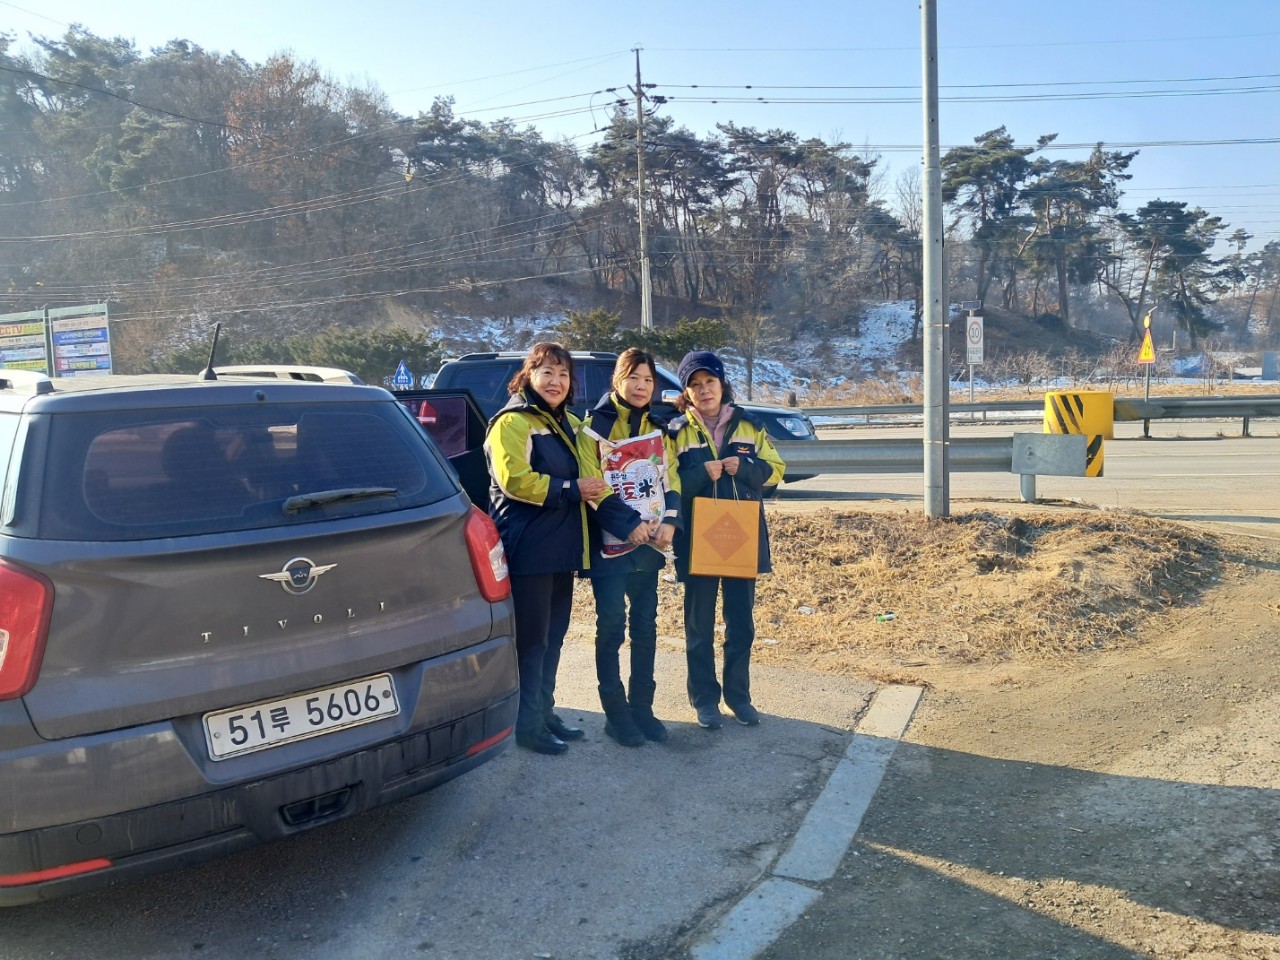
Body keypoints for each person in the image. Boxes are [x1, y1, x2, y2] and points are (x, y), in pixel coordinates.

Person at [484, 342, 647, 756]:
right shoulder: (512, 422)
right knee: (532, 642)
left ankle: (545, 712)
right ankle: (526, 725)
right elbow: (513, 480)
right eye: (547, 373)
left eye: (563, 374)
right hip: (528, 548)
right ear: (529, 376)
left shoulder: (570, 422)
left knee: (553, 637)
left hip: (562, 548)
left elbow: (598, 471)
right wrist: (570, 488)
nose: (556, 381)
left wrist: (634, 517)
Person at [668, 350, 785, 730]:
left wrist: (747, 467)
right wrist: (701, 474)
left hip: (740, 537)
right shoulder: (676, 432)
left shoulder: (749, 425)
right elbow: (668, 483)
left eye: (710, 382)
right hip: (697, 539)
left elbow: (776, 470)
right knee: (698, 626)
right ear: (686, 392)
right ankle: (704, 700)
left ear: (722, 385)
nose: (704, 390)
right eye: (695, 385)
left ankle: (739, 697)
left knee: (741, 624)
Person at [579, 349, 682, 746]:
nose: (641, 386)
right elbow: (593, 486)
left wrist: (669, 520)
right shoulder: (593, 428)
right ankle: (615, 713)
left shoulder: (658, 427)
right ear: (617, 380)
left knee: (645, 626)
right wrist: (629, 525)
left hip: (649, 545)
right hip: (610, 547)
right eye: (633, 377)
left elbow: (671, 479)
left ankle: (643, 708)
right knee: (610, 627)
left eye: (648, 380)